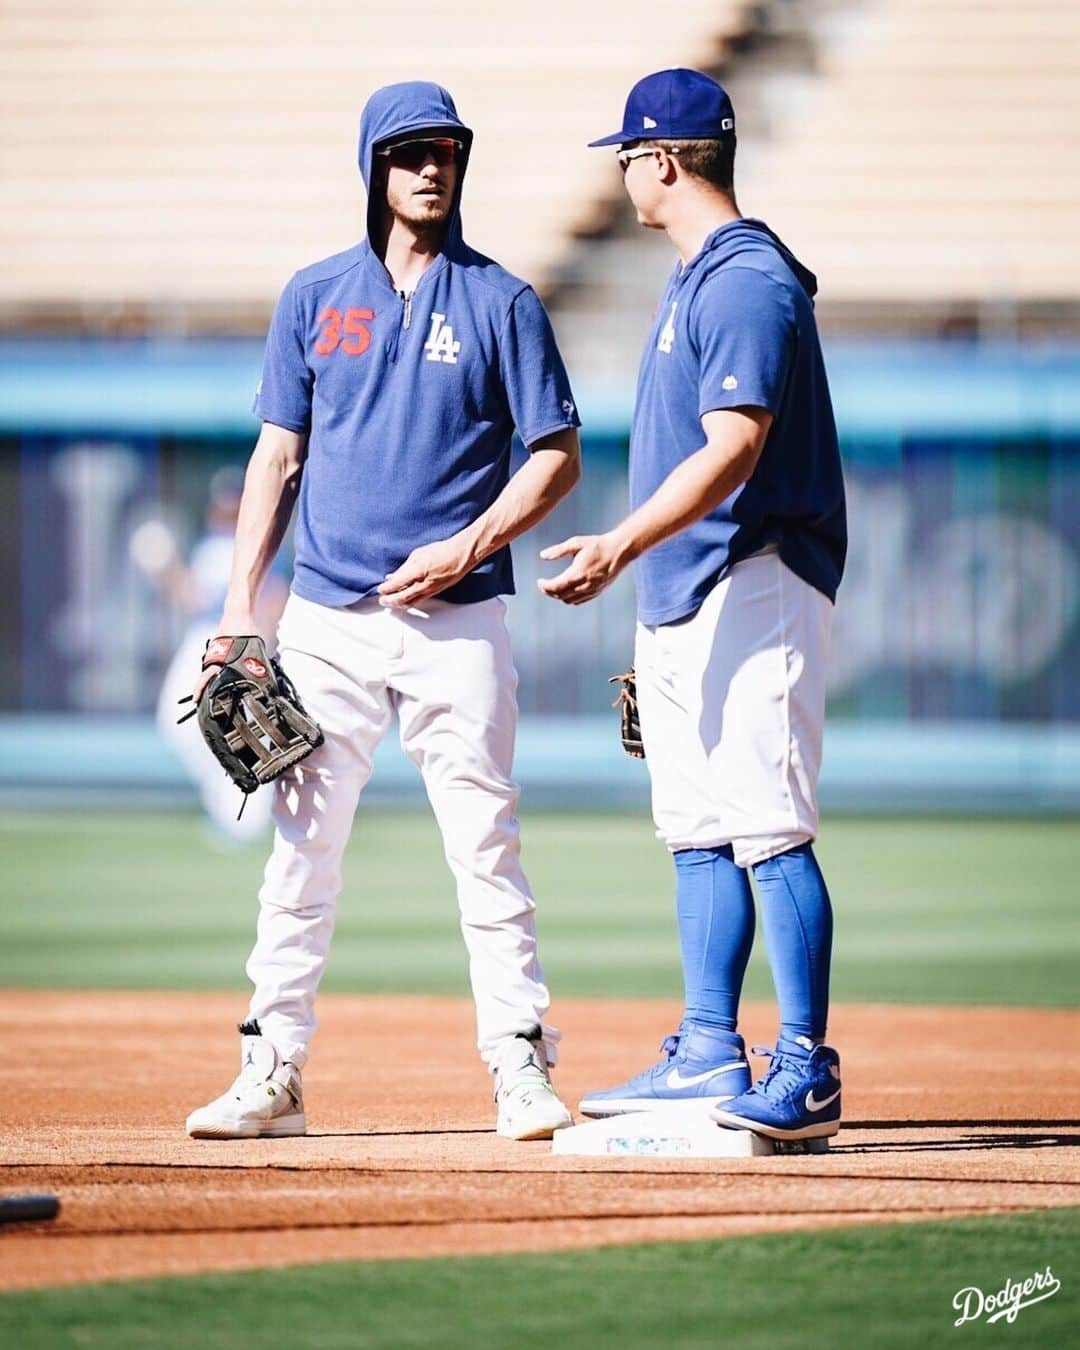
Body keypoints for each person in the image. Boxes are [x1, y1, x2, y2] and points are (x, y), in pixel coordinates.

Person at [185, 80, 581, 1142]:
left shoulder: (503, 302)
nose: (432, 167)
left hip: (461, 621)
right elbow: (278, 454)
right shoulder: (314, 296)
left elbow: (556, 455)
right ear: (375, 166)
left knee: (485, 847)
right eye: (410, 152)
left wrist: (469, 543)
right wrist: (238, 612)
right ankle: (272, 1070)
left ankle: (518, 1064)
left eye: (448, 150)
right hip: (326, 621)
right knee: (301, 852)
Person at [540, 69, 847, 1142]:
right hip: (687, 589)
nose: (622, 170)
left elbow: (738, 446)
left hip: (752, 574)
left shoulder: (745, 279)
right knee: (700, 830)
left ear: (660, 161)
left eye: (626, 153)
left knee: (768, 825)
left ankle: (806, 1067)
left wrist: (624, 546)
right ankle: (711, 1048)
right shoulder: (694, 277)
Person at [138, 468, 287, 844]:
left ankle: (245, 818)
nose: (225, 505)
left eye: (233, 499)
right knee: (182, 725)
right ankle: (235, 805)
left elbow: (273, 598)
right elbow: (194, 599)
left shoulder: (253, 544)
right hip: (205, 642)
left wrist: (259, 654)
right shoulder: (214, 545)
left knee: (234, 732)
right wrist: (166, 572)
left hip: (231, 646)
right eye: (222, 499)